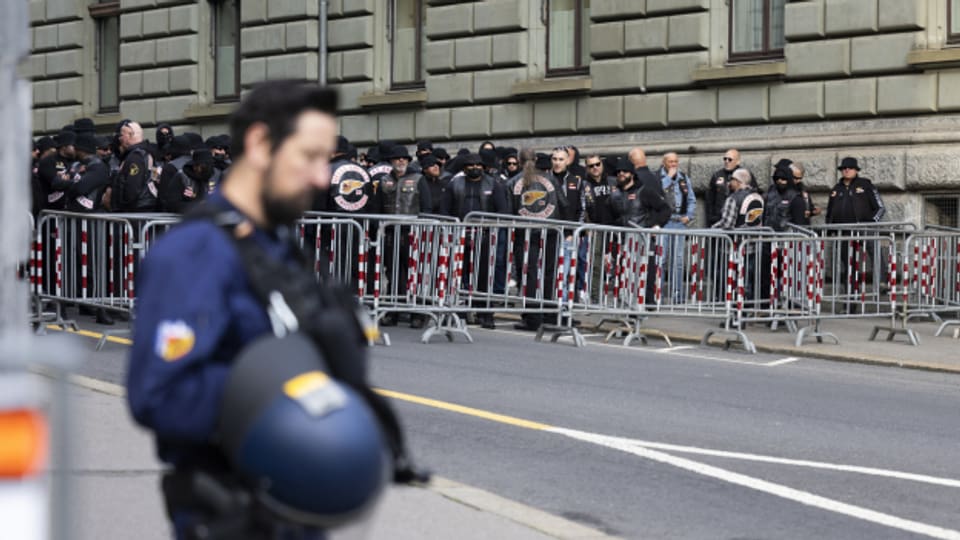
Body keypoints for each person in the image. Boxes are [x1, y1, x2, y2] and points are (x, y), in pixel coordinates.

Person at [126, 81, 426, 540]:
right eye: (309, 157)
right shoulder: (196, 252)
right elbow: (161, 395)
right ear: (261, 143)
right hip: (234, 518)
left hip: (296, 516)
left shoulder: (277, 244)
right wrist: (284, 400)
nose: (322, 178)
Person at [659, 152, 697, 303]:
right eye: (670, 162)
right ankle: (659, 296)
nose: (673, 164)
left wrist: (689, 216)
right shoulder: (659, 177)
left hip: (679, 221)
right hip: (664, 222)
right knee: (661, 259)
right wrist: (669, 176)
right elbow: (659, 192)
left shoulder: (683, 178)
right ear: (664, 163)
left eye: (675, 162)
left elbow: (692, 199)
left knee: (678, 260)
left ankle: (678, 297)